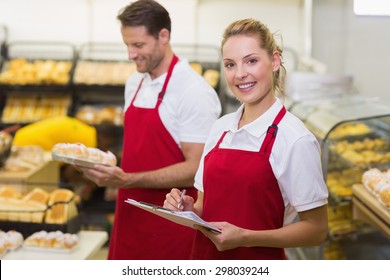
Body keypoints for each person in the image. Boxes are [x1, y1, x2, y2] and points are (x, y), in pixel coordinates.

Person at [163, 18, 328, 260]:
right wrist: (188, 211)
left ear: (274, 61)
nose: (240, 74)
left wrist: (247, 237)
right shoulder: (220, 128)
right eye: (230, 65)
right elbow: (203, 206)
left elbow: (316, 230)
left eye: (251, 61)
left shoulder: (295, 139)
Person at [79, 0, 221, 260]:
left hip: (171, 225)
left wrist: (127, 180)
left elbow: (196, 169)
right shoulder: (135, 83)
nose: (130, 54)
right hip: (129, 216)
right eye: (127, 45)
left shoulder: (194, 91)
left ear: (163, 36)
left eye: (138, 45)